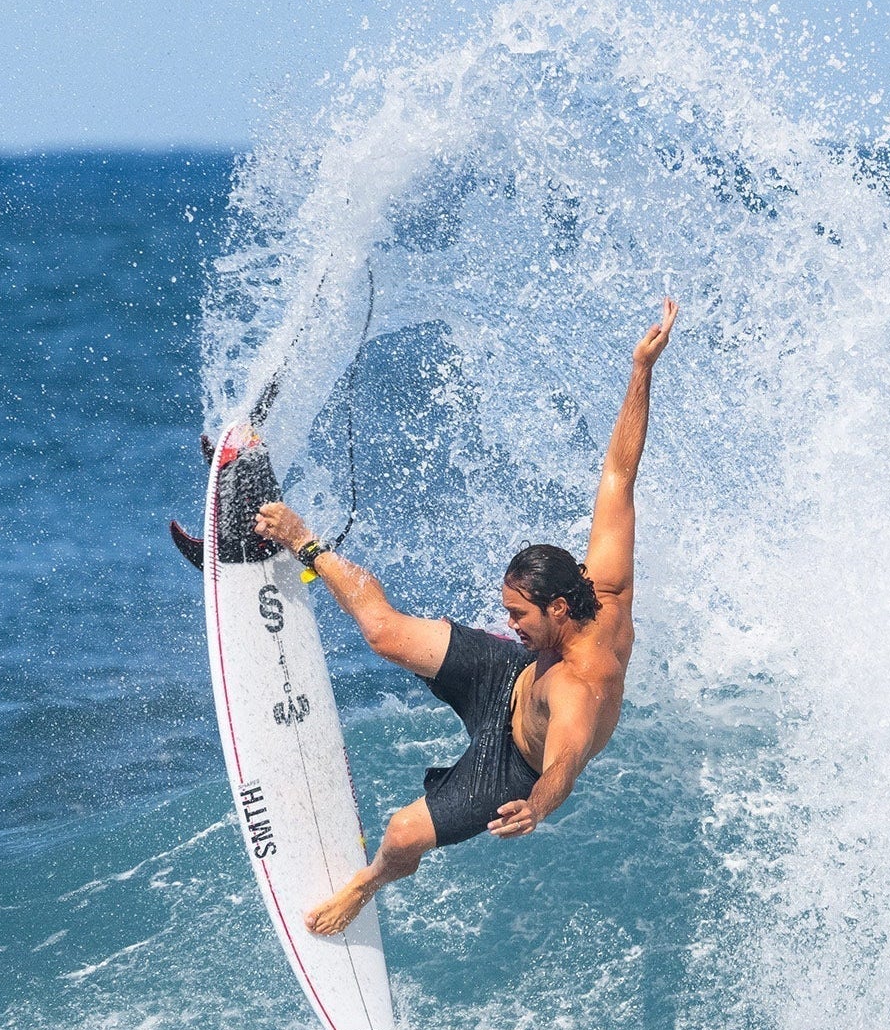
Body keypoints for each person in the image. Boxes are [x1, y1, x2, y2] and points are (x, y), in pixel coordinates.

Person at [252, 299, 677, 935]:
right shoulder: (602, 586)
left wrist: (533, 806)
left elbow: (564, 762)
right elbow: (620, 474)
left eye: (518, 614)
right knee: (385, 634)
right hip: (513, 681)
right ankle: (304, 542)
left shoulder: (581, 684)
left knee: (401, 833)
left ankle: (368, 884)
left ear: (558, 608)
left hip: (514, 761)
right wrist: (641, 368)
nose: (508, 623)